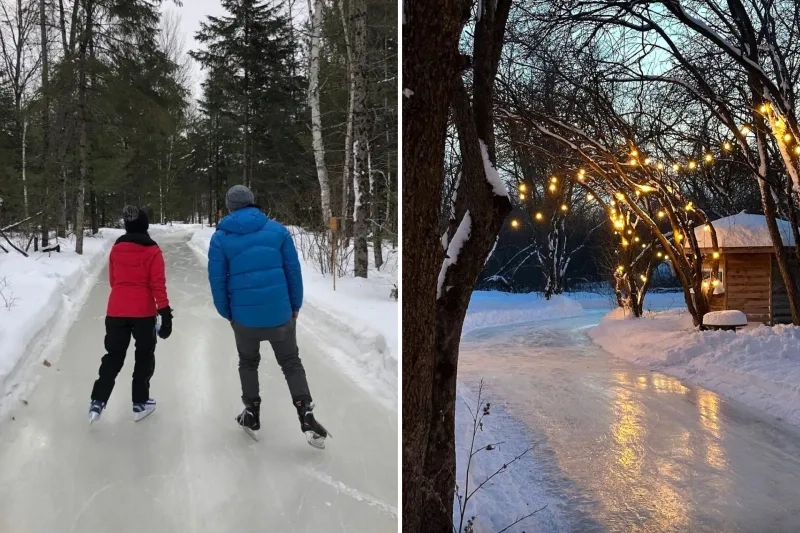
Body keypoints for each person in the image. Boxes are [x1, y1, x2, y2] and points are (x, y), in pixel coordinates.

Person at [208, 185, 328, 448]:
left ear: (230, 207)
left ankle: (251, 413)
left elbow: (216, 281)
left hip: (244, 319)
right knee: (291, 363)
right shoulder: (278, 231)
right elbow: (292, 272)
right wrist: (294, 306)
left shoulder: (221, 237)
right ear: (253, 203)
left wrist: (227, 313)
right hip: (280, 315)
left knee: (248, 363)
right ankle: (305, 412)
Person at [88, 206, 173, 423]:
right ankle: (140, 402)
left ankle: (98, 401)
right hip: (143, 313)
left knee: (113, 356)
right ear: (145, 225)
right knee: (144, 356)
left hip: (116, 310)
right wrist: (165, 314)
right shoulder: (152, 250)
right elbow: (158, 285)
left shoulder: (117, 248)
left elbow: (113, 281)